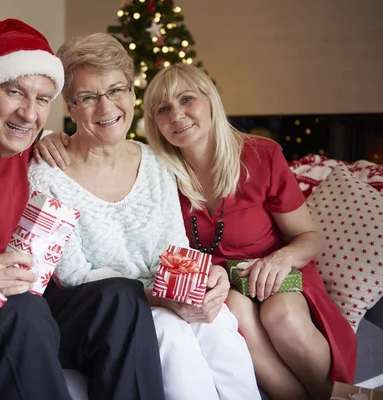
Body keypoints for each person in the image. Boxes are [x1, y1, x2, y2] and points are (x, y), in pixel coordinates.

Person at [0, 19, 168, 400]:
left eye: (43, 99)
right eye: (15, 92)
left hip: (33, 303)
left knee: (121, 295)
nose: (29, 114)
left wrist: (51, 140)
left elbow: (59, 140)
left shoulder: (35, 149)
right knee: (24, 308)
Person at [30, 32, 260, 400]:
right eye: (89, 97)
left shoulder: (155, 162)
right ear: (70, 107)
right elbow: (74, 276)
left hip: (167, 294)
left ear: (132, 94)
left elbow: (176, 249)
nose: (106, 108)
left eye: (117, 90)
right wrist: (160, 298)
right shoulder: (46, 173)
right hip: (113, 313)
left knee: (217, 324)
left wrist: (204, 279)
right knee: (171, 331)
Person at [141, 63, 357, 400]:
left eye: (186, 99)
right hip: (218, 282)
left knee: (282, 315)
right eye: (163, 109)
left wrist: (280, 259)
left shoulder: (261, 155)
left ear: (210, 101)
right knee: (232, 310)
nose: (177, 115)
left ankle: (342, 397)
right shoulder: (157, 172)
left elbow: (309, 237)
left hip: (276, 269)